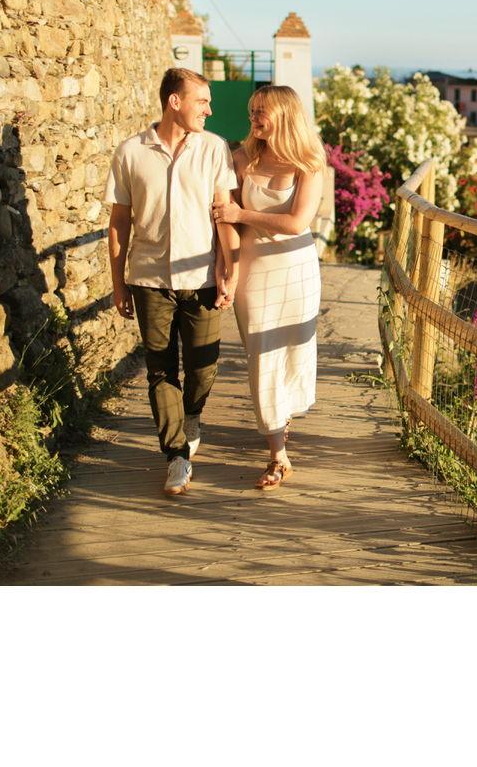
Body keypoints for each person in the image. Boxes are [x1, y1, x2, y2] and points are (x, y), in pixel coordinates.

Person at [105, 68, 239, 496]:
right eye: (202, 101)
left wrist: (228, 269)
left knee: (204, 365)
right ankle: (176, 455)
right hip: (147, 279)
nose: (210, 109)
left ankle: (193, 413)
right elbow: (119, 222)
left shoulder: (214, 148)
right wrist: (118, 282)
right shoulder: (130, 152)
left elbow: (224, 213)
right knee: (160, 371)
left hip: (200, 278)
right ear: (174, 102)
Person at [212, 85, 325, 489]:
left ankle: (282, 420)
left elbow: (297, 222)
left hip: (297, 269)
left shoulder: (309, 162)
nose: (254, 117)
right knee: (262, 354)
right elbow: (227, 221)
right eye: (252, 110)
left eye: (262, 111)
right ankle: (277, 452)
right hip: (255, 270)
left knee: (293, 348)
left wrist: (242, 211)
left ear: (285, 115)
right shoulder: (241, 159)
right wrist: (230, 270)